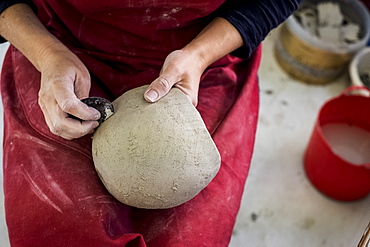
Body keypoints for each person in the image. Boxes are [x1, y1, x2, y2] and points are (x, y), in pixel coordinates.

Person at [0, 0, 300, 246]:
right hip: (60, 46)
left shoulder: (199, 56)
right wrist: (47, 54)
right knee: (56, 229)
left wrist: (199, 55)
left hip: (198, 58)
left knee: (190, 236)